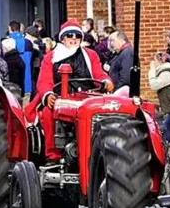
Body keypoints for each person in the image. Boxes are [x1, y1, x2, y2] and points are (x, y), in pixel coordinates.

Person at [28, 20, 111, 163]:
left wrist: (106, 81)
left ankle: (101, 150)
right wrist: (48, 94)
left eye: (77, 36)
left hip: (86, 98)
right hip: (60, 97)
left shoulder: (90, 55)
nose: (74, 39)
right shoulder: (51, 58)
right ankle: (53, 154)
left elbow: (99, 73)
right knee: (48, 113)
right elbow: (44, 81)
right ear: (63, 38)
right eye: (69, 35)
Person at [149, 52, 170, 143]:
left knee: (167, 129)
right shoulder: (169, 71)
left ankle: (168, 152)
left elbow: (154, 85)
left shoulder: (168, 72)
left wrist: (152, 69)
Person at [6, 21, 34, 95]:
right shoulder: (28, 42)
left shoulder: (6, 43)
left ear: (10, 28)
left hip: (11, 84)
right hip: (27, 83)